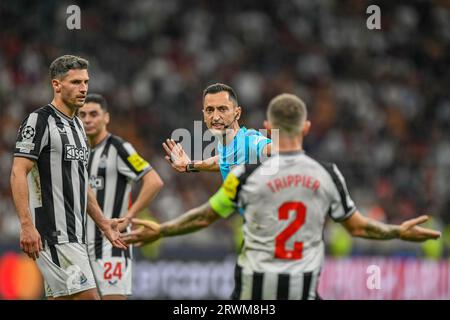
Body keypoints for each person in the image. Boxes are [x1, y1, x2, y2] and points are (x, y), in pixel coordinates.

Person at [122, 93, 441, 300]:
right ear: (306, 127)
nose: (216, 115)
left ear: (262, 124)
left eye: (222, 109)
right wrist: (399, 231)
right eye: (209, 110)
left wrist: (162, 230)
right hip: (302, 284)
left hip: (255, 282)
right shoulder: (325, 173)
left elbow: (207, 214)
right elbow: (359, 227)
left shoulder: (247, 164)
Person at [10, 55, 127, 300]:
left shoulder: (78, 126)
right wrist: (26, 225)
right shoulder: (39, 120)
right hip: (54, 235)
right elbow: (18, 172)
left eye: (86, 82)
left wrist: (104, 223)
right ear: (57, 85)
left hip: (75, 235)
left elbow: (80, 181)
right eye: (75, 82)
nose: (83, 88)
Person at [78, 93, 163, 300]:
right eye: (82, 114)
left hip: (112, 244)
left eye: (93, 114)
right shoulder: (76, 151)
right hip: (78, 245)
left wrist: (130, 216)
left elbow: (154, 180)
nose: (87, 119)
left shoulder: (119, 148)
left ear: (106, 118)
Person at [163, 83, 271, 180]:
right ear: (204, 115)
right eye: (209, 110)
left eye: (222, 109)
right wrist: (189, 166)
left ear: (237, 113)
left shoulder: (249, 140)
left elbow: (273, 149)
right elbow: (222, 161)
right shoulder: (227, 145)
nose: (215, 117)